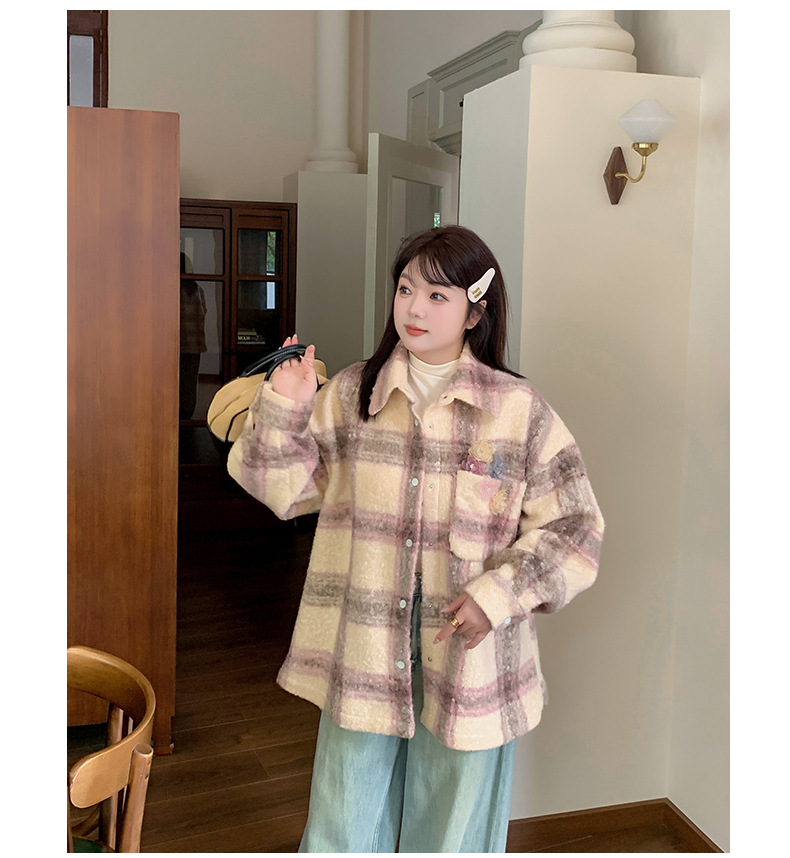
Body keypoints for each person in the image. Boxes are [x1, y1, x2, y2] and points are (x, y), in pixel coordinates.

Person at [227, 225, 604, 853]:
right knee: (344, 822)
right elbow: (282, 490)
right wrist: (285, 406)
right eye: (406, 289)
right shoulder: (352, 396)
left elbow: (576, 528)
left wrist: (499, 595)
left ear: (475, 311)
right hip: (365, 645)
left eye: (436, 295)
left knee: (454, 830)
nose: (415, 308)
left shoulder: (518, 411)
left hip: (471, 654)